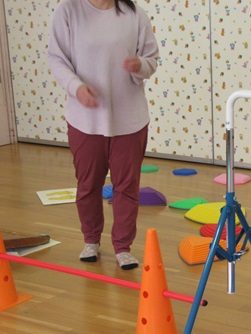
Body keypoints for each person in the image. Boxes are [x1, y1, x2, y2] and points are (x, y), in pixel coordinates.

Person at [47, 0, 159, 270]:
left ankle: (123, 247)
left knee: (126, 187)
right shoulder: (68, 10)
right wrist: (76, 87)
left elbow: (151, 60)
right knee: (88, 184)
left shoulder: (135, 14)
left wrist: (139, 65)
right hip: (85, 118)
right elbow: (57, 58)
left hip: (129, 119)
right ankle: (91, 240)